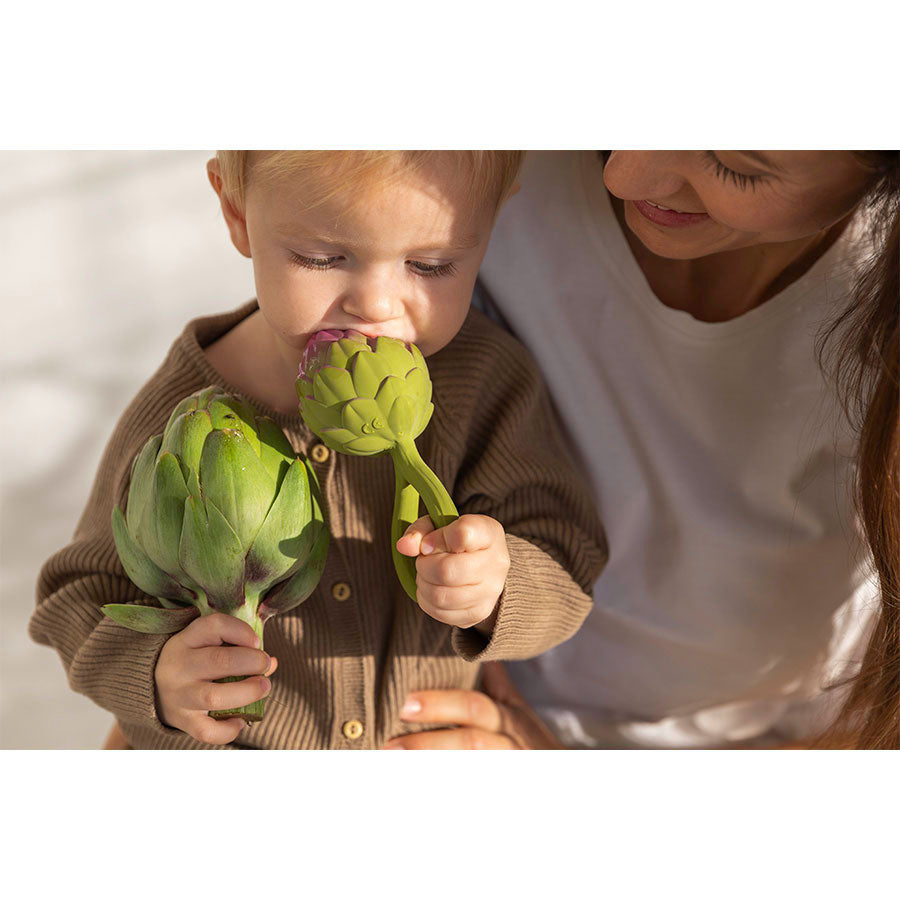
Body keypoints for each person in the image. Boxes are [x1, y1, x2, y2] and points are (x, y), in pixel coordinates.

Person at [30, 151, 607, 749]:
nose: (378, 306)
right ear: (235, 211)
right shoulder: (180, 417)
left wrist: (498, 585)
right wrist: (155, 675)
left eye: (432, 265)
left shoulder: (483, 381)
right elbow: (76, 598)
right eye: (322, 258)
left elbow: (569, 559)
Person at [383, 150, 899, 751]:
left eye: (735, 165)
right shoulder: (489, 162)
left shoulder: (871, 293)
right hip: (474, 703)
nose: (622, 176)